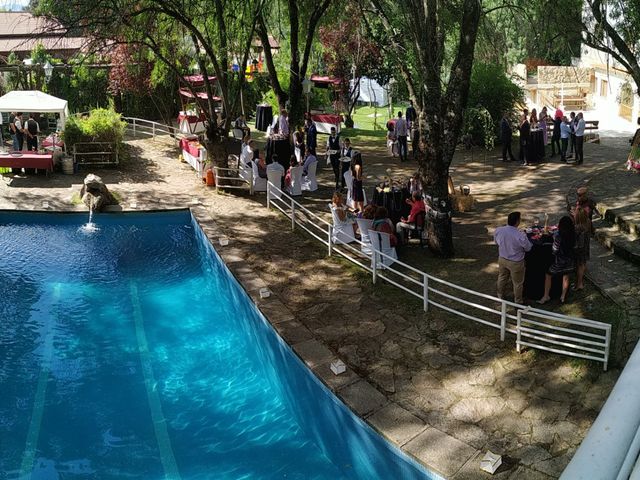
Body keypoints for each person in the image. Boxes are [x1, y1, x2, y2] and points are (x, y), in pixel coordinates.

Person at [494, 211, 532, 304]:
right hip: (516, 262)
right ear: (517, 221)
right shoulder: (520, 235)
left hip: (502, 259)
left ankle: (500, 295)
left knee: (502, 277)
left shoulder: (499, 230)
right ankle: (518, 301)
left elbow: (496, 242)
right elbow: (528, 248)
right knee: (518, 283)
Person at [538, 215, 576, 304]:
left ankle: (546, 295)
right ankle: (563, 296)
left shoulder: (558, 235)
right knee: (566, 276)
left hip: (559, 261)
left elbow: (555, 250)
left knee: (548, 275)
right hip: (570, 260)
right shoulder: (573, 233)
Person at [573, 207, 591, 291]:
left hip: (579, 249)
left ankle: (579, 283)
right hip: (586, 246)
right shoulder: (588, 222)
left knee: (579, 265)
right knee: (583, 264)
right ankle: (580, 282)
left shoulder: (577, 227)